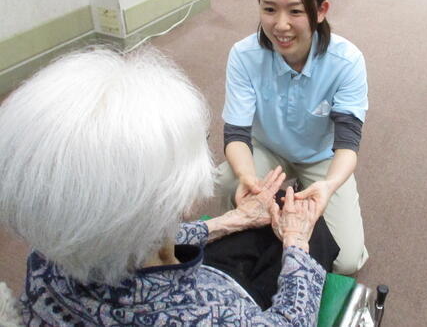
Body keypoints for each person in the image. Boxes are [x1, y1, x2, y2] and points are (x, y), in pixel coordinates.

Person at [0, 47, 326, 325]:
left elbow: (126, 246)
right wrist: (297, 243)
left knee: (275, 210)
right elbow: (289, 321)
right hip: (224, 295)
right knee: (307, 223)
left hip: (169, 278)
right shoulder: (213, 317)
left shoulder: (47, 258)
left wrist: (229, 221)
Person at [218, 0, 369, 275]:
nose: (281, 25)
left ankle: (302, 189)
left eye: (295, 11)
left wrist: (328, 186)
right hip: (268, 151)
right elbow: (236, 134)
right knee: (226, 180)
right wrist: (247, 178)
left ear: (320, 10)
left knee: (345, 260)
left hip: (320, 157)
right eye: (269, 9)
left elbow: (348, 143)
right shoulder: (244, 56)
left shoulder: (347, 62)